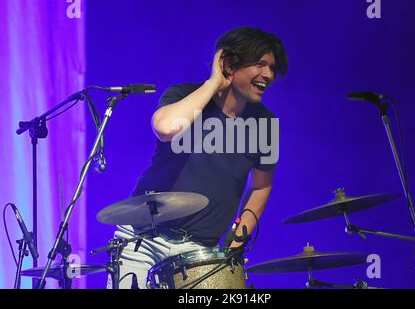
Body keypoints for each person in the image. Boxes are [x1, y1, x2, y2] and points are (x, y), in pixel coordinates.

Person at [107, 27, 288, 289]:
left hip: (201, 253)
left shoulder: (266, 123)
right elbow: (165, 128)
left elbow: (261, 186)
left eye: (272, 67)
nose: (268, 75)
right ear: (228, 63)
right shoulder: (183, 95)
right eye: (260, 64)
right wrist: (214, 82)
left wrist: (237, 242)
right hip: (143, 239)